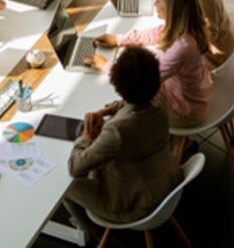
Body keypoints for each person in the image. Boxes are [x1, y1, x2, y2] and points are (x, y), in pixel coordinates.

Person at [64, 46, 183, 240]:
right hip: (166, 183)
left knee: (67, 186)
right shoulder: (160, 100)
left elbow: (75, 167)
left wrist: (85, 136)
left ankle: (94, 234)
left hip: (137, 205)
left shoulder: (117, 131)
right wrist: (104, 112)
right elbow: (127, 105)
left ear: (117, 86)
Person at [87, 0, 212, 128]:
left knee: (136, 98)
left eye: (159, 1)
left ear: (171, 9)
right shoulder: (188, 25)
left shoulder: (182, 48)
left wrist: (104, 65)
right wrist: (119, 39)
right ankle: (115, 108)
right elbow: (155, 33)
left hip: (185, 111)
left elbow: (143, 82)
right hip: (190, 93)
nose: (155, 4)